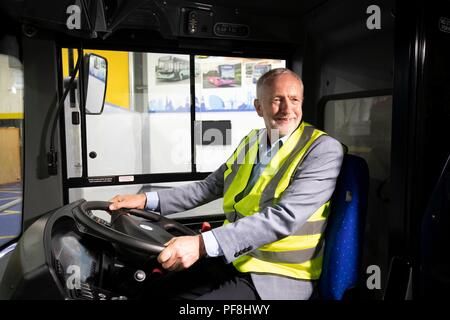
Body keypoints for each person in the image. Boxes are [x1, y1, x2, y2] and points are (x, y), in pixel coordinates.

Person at [109, 68, 344, 300]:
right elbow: (210, 186)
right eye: (276, 100)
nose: (287, 109)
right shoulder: (254, 141)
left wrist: (201, 245)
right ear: (258, 107)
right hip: (233, 258)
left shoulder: (322, 149)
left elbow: (284, 217)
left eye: (294, 100)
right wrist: (146, 200)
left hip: (277, 277)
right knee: (153, 290)